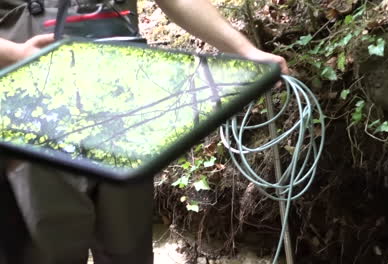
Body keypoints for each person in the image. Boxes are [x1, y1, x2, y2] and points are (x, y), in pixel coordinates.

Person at [0, 0, 288, 264]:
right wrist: (15, 54)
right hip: (30, 109)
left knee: (128, 250)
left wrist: (245, 52)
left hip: (125, 108)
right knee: (43, 249)